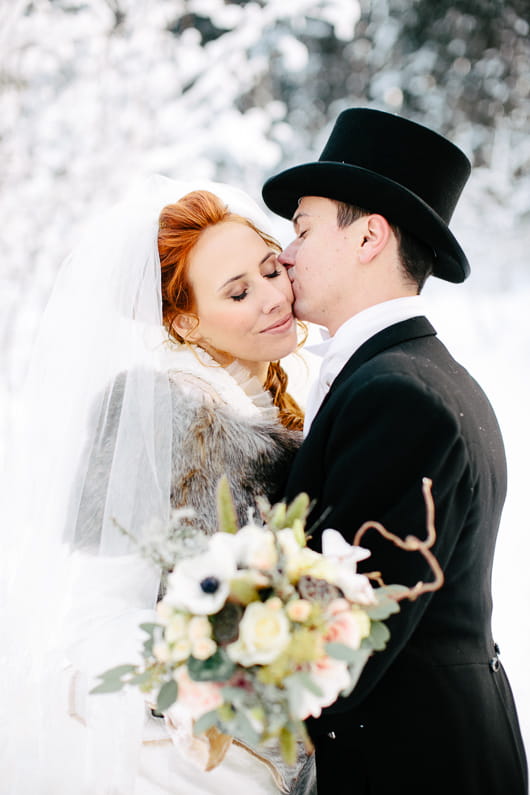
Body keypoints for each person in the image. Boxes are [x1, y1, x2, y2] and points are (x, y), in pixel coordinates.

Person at [1, 176, 315, 794]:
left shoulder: (263, 402)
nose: (273, 297)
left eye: (271, 270)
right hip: (193, 768)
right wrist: (211, 670)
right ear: (189, 325)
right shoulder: (157, 419)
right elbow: (97, 620)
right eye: (238, 292)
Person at [262, 108, 528, 795]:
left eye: (303, 228)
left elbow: (341, 645)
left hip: (414, 765)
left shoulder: (399, 396)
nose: (285, 253)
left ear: (370, 236)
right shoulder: (419, 373)